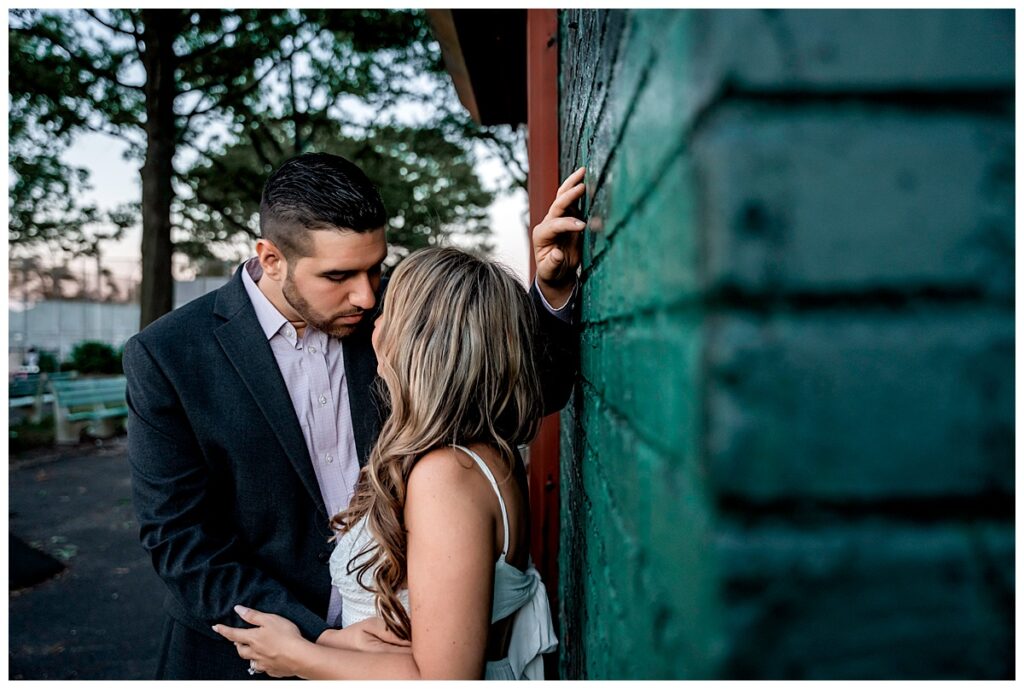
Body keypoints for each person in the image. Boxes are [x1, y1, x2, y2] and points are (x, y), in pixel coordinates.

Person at [123, 152, 585, 679]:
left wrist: (550, 292)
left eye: (376, 268)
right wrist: (316, 638)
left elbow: (517, 394)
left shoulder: (400, 318)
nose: (366, 295)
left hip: (413, 649)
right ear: (271, 258)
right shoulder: (168, 355)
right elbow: (180, 539)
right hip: (246, 654)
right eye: (339, 275)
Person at [214, 247, 558, 679]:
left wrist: (296, 655)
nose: (375, 322)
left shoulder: (447, 475)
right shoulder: (477, 452)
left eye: (390, 311)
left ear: (419, 343)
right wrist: (337, 639)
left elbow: (444, 679)